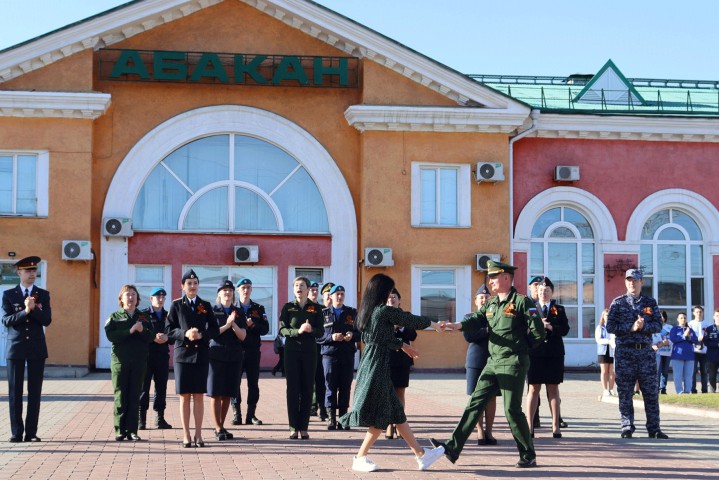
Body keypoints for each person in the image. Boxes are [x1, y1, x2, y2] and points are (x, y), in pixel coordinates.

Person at [432, 260, 546, 469]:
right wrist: (457, 325)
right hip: (492, 363)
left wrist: (521, 349)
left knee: (512, 410)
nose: (490, 281)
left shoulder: (522, 302)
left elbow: (539, 332)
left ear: (505, 278)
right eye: (490, 277)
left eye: (493, 277)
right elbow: (476, 318)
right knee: (475, 403)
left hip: (513, 363)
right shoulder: (492, 304)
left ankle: (528, 454)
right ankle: (453, 447)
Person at [338, 273, 446, 472]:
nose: (390, 294)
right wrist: (433, 324)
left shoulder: (368, 312)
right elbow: (407, 318)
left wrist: (403, 346)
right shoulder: (381, 311)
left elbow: (383, 338)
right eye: (388, 290)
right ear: (381, 291)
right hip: (376, 367)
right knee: (381, 416)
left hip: (373, 364)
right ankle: (360, 457)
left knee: (396, 412)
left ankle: (422, 455)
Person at [606, 268, 668, 439]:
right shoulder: (618, 303)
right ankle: (627, 426)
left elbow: (658, 325)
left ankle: (654, 428)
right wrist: (631, 328)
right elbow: (610, 326)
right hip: (625, 353)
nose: (632, 283)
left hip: (646, 353)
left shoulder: (650, 302)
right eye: (629, 280)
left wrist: (644, 327)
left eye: (635, 280)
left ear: (642, 282)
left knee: (650, 392)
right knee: (625, 392)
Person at [166, 269, 219, 448]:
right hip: (182, 355)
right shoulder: (176, 305)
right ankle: (186, 434)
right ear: (183, 286)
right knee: (184, 396)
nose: (192, 286)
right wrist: (184, 333)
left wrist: (202, 335)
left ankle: (198, 434)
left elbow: (214, 329)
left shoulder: (205, 304)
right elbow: (169, 330)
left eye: (195, 283)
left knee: (198, 395)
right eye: (189, 283)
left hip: (200, 354)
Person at [2, 256, 52, 443]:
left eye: (34, 271)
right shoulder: (9, 294)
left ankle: (31, 432)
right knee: (15, 392)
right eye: (27, 271)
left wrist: (34, 309)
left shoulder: (43, 294)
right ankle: (16, 432)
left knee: (34, 391)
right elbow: (6, 320)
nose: (32, 274)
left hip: (36, 348)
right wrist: (25, 312)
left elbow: (47, 319)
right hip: (15, 348)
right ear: (18, 272)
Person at [105, 285, 155, 441]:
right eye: (127, 294)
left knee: (135, 395)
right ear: (121, 298)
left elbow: (151, 336)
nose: (131, 297)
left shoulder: (144, 317)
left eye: (133, 294)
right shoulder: (114, 316)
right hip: (120, 362)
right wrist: (130, 331)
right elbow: (111, 335)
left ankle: (132, 430)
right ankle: (120, 430)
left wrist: (142, 331)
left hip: (139, 361)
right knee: (121, 395)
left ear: (137, 298)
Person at [279, 276, 324, 439]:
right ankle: (293, 427)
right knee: (292, 389)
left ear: (308, 289)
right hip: (291, 351)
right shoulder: (287, 307)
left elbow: (322, 331)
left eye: (302, 285)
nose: (299, 288)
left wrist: (311, 329)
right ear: (293, 289)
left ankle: (303, 427)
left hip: (309, 351)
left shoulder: (316, 308)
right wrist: (297, 331)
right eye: (296, 285)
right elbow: (282, 329)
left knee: (307, 388)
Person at [526, 277, 570, 439]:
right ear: (536, 292)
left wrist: (550, 326)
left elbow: (565, 329)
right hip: (535, 353)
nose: (543, 293)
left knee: (553, 389)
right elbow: (524, 328)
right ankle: (530, 426)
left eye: (547, 290)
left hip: (553, 354)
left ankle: (555, 426)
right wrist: (537, 326)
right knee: (533, 389)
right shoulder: (530, 308)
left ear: (552, 292)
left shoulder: (559, 309)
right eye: (540, 290)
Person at [318, 284, 359, 431]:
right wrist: (331, 337)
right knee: (330, 386)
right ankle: (331, 419)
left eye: (342, 294)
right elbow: (318, 335)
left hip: (347, 354)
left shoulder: (352, 313)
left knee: (345, 387)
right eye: (337, 294)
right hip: (329, 354)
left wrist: (352, 336)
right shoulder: (323, 313)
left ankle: (343, 419)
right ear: (331, 296)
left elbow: (360, 332)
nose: (340, 296)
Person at [209, 280, 246, 441]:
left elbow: (243, 335)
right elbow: (212, 333)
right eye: (224, 290)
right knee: (216, 392)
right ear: (219, 293)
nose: (228, 293)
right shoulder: (212, 311)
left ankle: (221, 426)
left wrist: (234, 326)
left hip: (234, 355)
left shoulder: (238, 311)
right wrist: (228, 324)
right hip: (216, 354)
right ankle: (217, 427)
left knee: (227, 393)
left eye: (230, 290)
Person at [462, 284, 498, 445]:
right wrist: (486, 330)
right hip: (476, 362)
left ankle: (489, 431)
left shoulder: (497, 316)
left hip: (494, 361)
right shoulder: (469, 317)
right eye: (481, 297)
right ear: (476, 301)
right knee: (476, 398)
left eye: (487, 297)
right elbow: (469, 336)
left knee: (491, 398)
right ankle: (480, 431)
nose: (484, 299)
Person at [233, 277, 269, 426]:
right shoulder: (233, 308)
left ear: (251, 289)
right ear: (238, 290)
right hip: (235, 350)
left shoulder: (258, 308)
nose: (246, 290)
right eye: (243, 288)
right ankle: (237, 414)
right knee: (235, 383)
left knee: (253, 384)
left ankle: (251, 415)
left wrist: (253, 325)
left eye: (248, 287)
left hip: (253, 351)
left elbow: (266, 329)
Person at [385, 288, 417, 440]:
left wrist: (401, 327)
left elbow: (413, 335)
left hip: (402, 360)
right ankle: (389, 425)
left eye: (394, 297)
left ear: (399, 301)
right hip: (386, 360)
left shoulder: (406, 316)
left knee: (399, 393)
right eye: (389, 297)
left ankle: (399, 424)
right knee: (387, 394)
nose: (391, 299)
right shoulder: (381, 316)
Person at [139, 287, 173, 430]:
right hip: (147, 356)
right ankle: (142, 419)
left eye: (162, 297)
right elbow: (141, 334)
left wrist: (167, 338)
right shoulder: (143, 315)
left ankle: (160, 419)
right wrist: (153, 337)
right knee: (143, 388)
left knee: (161, 388)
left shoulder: (168, 315)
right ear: (151, 299)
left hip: (162, 356)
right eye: (157, 297)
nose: (160, 299)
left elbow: (173, 334)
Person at [310, 282, 332, 421]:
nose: (313, 292)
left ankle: (323, 408)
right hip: (310, 347)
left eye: (315, 290)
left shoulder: (325, 310)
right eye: (311, 289)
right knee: (311, 378)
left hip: (323, 348)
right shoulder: (309, 309)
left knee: (322, 379)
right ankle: (312, 406)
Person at [668, 313, 698, 394]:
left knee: (688, 376)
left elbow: (695, 340)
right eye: (681, 318)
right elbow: (673, 339)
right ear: (678, 319)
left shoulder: (690, 329)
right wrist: (684, 336)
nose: (683, 319)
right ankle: (680, 392)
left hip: (689, 356)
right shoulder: (674, 329)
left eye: (684, 318)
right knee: (678, 376)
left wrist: (689, 336)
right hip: (677, 355)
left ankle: (687, 391)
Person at [688, 306, 710, 393]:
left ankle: (704, 390)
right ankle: (693, 389)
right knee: (692, 371)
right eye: (697, 312)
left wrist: (704, 337)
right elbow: (688, 336)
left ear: (703, 312)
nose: (699, 313)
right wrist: (696, 339)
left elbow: (710, 337)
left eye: (700, 312)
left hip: (704, 351)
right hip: (693, 351)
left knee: (704, 371)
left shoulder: (707, 324)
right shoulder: (690, 324)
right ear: (693, 313)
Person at [595, 308, 616, 397]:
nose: (608, 317)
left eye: (609, 315)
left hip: (612, 350)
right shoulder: (600, 327)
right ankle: (605, 389)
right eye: (606, 315)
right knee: (604, 371)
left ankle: (611, 389)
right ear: (603, 317)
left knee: (612, 371)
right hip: (603, 351)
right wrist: (608, 341)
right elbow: (598, 340)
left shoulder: (614, 327)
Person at [652, 310, 673, 395]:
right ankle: (656, 388)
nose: (661, 318)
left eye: (662, 316)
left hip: (667, 352)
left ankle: (663, 388)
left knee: (665, 371)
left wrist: (667, 342)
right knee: (658, 371)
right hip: (658, 352)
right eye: (659, 316)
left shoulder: (669, 327)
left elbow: (672, 339)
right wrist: (657, 345)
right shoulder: (653, 327)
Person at [704, 310, 719, 393]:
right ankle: (712, 392)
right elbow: (706, 341)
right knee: (712, 376)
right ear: (713, 317)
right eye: (717, 316)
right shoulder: (709, 329)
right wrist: (716, 345)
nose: (718, 318)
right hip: (712, 356)